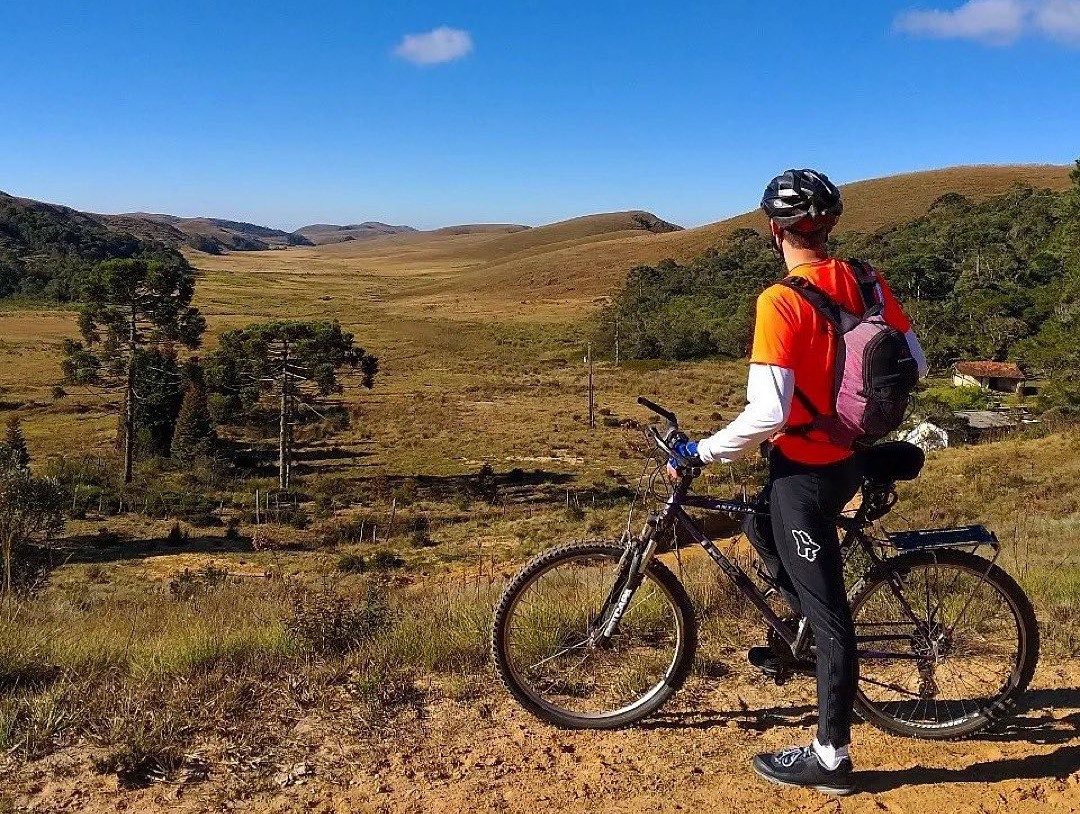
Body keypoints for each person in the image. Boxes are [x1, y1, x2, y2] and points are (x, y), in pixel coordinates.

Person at [668, 168, 928, 796]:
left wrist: (701, 449)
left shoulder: (780, 301)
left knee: (831, 613)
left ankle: (833, 756)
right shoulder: (866, 282)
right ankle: (799, 630)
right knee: (757, 520)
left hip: (806, 473)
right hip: (848, 453)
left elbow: (767, 414)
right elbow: (915, 362)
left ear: (773, 230)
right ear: (830, 224)